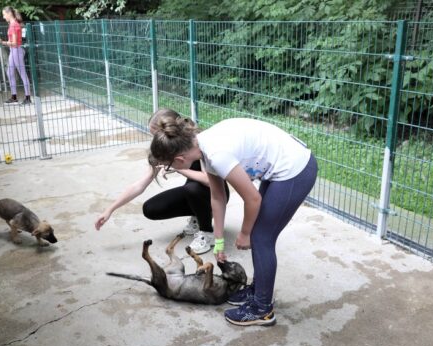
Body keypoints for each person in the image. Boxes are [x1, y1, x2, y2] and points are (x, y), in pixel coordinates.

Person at [149, 110, 318, 327]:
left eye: (170, 167)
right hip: (279, 166)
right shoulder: (202, 148)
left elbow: (253, 199)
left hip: (295, 169)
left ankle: (262, 309)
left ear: (180, 159)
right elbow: (217, 197)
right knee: (260, 235)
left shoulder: (217, 154)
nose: (171, 170)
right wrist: (218, 242)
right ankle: (259, 292)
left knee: (260, 238)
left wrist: (245, 233)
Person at [94, 109, 229, 255]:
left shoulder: (198, 144)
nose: (155, 140)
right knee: (151, 208)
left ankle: (206, 232)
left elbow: (210, 181)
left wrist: (178, 168)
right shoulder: (164, 150)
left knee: (193, 189)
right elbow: (140, 184)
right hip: (194, 193)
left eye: (156, 135)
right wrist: (110, 209)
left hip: (216, 195)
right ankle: (198, 215)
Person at [0, 6, 31, 105]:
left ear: (9, 14)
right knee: (9, 72)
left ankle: (28, 98)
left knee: (22, 73)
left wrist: (1, 41)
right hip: (13, 51)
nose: (3, 17)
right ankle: (14, 97)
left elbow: (14, 43)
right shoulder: (12, 24)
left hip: (16, 50)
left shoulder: (14, 25)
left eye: (4, 14)